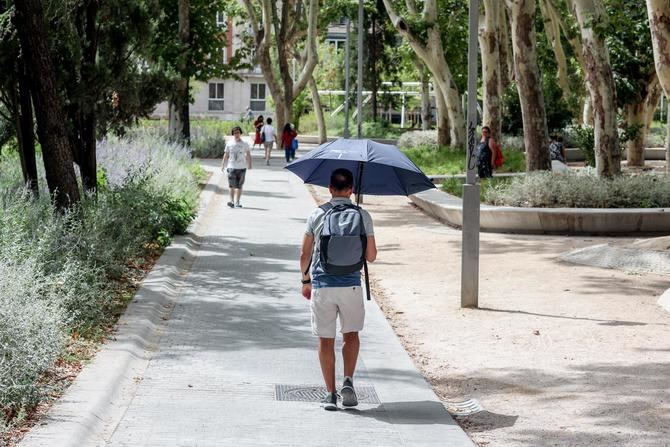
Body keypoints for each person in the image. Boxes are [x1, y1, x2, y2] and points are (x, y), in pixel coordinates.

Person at [299, 168, 377, 411]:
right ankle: (348, 381)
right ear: (351, 190)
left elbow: (304, 254)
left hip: (323, 285)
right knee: (351, 335)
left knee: (325, 341)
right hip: (351, 285)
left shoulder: (317, 214)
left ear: (330, 189)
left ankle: (330, 394)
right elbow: (371, 256)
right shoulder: (362, 215)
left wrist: (305, 281)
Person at [221, 126, 252, 208]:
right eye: (235, 133)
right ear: (233, 134)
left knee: (239, 186)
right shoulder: (229, 143)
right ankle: (231, 201)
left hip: (242, 167)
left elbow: (248, 154)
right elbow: (226, 154)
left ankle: (237, 202)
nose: (236, 134)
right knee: (231, 185)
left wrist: (250, 164)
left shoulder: (245, 143)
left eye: (238, 133)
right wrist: (222, 164)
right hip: (231, 167)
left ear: (240, 133)